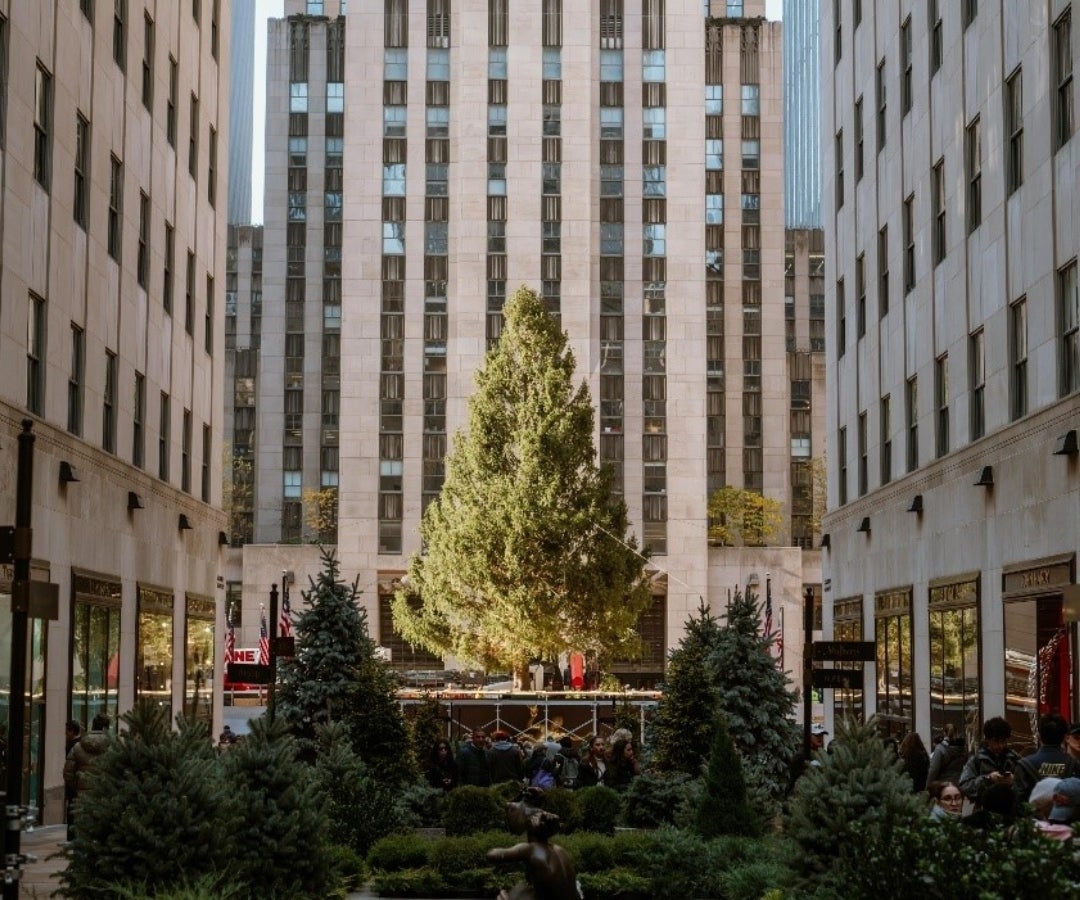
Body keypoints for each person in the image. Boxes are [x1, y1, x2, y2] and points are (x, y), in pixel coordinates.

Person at [486, 789, 583, 900]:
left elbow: (491, 855)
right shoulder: (560, 851)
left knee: (511, 894)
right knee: (523, 890)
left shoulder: (531, 849)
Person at [62, 713, 111, 839]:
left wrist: (78, 785)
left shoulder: (77, 747)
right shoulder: (112, 747)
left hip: (82, 796)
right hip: (104, 796)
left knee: (81, 831)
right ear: (106, 728)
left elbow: (68, 773)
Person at [1013, 714, 1078, 803]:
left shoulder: (1024, 765)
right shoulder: (1074, 765)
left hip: (1033, 815)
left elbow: (1019, 801)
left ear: (1039, 736)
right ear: (1063, 737)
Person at [959, 716, 1019, 804]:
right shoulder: (977, 760)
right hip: (985, 811)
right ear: (987, 740)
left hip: (1011, 810)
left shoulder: (1014, 758)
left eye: (1003, 741)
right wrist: (988, 779)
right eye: (996, 741)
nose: (1000, 745)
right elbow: (964, 787)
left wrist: (1014, 781)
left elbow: (1027, 786)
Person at [786, 724, 829, 795]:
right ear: (809, 736)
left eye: (821, 735)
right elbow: (797, 778)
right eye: (817, 735)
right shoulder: (801, 755)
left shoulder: (823, 753)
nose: (820, 738)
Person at [63, 721, 82, 840]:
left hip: (74, 784)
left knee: (72, 810)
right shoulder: (77, 743)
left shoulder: (74, 745)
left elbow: (69, 768)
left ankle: (72, 836)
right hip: (75, 782)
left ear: (71, 731)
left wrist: (72, 783)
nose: (65, 733)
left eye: (67, 731)